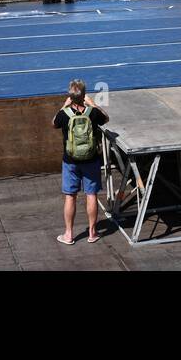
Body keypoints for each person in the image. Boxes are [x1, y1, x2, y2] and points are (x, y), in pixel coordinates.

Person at [53, 79, 109, 245]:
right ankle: (92, 232)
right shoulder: (92, 113)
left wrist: (64, 106)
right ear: (84, 95)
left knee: (70, 196)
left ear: (70, 96)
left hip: (70, 160)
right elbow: (106, 118)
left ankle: (69, 234)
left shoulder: (64, 114)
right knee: (91, 194)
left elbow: (53, 123)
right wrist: (94, 105)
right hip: (91, 159)